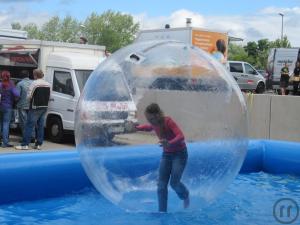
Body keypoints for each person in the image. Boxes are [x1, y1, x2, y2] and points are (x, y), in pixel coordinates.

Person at [135, 103, 189, 212]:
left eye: (151, 119)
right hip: (167, 155)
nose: (150, 121)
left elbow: (181, 136)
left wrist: (169, 143)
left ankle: (185, 195)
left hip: (180, 154)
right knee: (161, 186)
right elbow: (149, 127)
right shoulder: (154, 123)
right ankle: (162, 212)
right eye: (148, 119)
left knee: (174, 183)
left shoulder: (168, 121)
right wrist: (136, 127)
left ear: (157, 115)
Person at [15, 69, 50, 150]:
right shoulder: (48, 84)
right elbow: (49, 96)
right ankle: (38, 144)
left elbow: (29, 96)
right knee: (40, 126)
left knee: (29, 125)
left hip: (35, 107)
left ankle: (25, 144)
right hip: (44, 106)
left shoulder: (34, 83)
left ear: (35, 75)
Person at [0, 70, 20, 147]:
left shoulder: (0, 85)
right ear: (9, 77)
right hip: (8, 107)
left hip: (0, 106)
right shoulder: (11, 85)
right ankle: (5, 142)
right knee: (6, 124)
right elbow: (17, 94)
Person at [16, 70, 35, 140]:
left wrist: (15, 101)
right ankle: (33, 137)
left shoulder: (20, 84)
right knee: (31, 121)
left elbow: (17, 96)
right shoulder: (33, 83)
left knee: (24, 123)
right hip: (31, 105)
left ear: (21, 76)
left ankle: (26, 138)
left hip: (22, 105)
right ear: (28, 75)